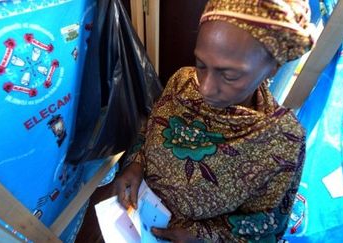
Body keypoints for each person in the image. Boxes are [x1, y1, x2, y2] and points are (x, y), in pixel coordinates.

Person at [115, 0, 313, 242]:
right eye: (201, 65)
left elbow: (267, 224)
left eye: (229, 75)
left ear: (273, 67)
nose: (206, 88)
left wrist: (202, 237)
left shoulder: (282, 140)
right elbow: (150, 129)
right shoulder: (182, 82)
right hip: (140, 215)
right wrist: (135, 163)